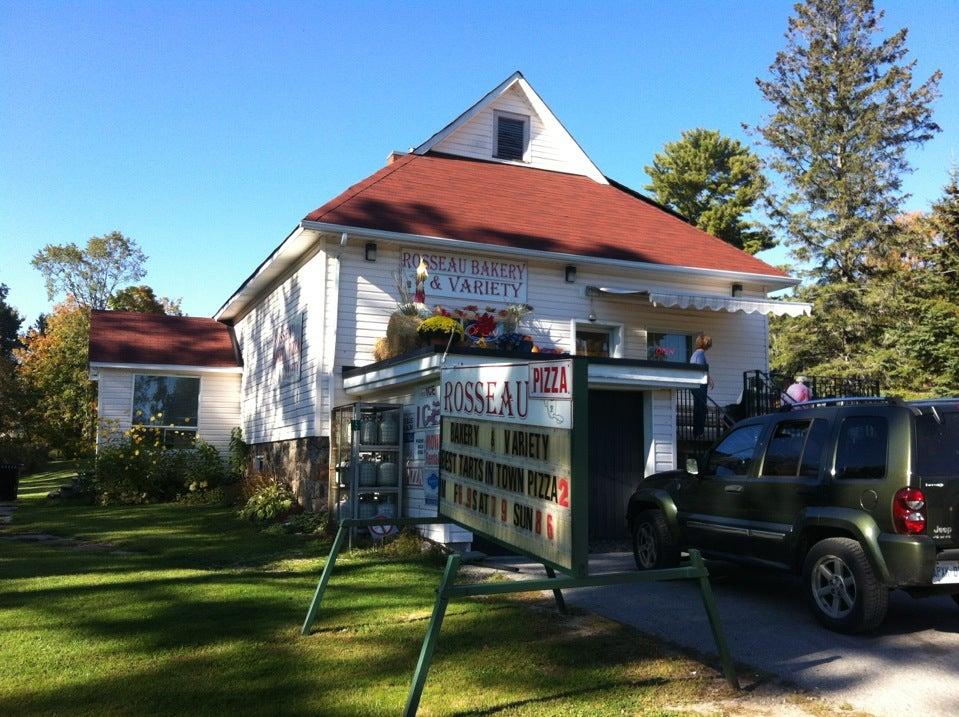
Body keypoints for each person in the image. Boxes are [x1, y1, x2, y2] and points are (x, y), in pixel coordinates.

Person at [689, 334, 714, 437]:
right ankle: (699, 433)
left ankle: (697, 432)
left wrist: (709, 378)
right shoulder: (700, 355)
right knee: (701, 409)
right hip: (699, 386)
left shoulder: (695, 354)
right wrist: (709, 380)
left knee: (698, 408)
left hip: (696, 386)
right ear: (706, 345)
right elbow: (701, 370)